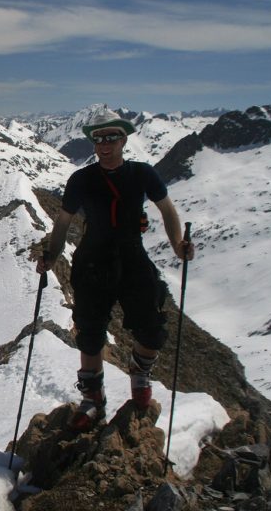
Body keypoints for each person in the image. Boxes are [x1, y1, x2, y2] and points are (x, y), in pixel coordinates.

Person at [35, 108, 195, 432]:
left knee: (151, 327)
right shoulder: (81, 179)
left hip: (130, 259)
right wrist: (51, 254)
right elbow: (63, 222)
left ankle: (139, 372)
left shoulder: (142, 174)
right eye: (98, 139)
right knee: (90, 334)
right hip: (93, 261)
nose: (104, 144)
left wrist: (178, 244)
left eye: (111, 137)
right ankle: (94, 401)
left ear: (123, 139)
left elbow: (167, 210)